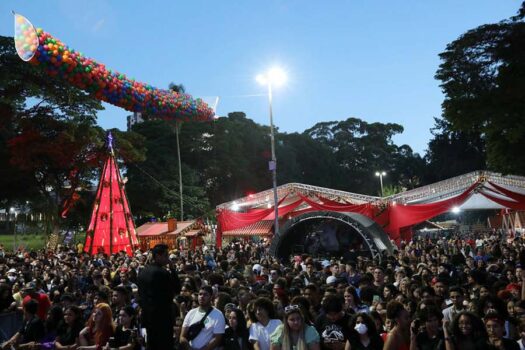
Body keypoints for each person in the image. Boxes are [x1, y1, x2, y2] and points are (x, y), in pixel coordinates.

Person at [137, 244, 181, 350]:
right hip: (162, 318)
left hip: (147, 317)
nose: (167, 259)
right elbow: (177, 289)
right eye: (165, 255)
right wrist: (172, 269)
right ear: (157, 256)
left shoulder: (143, 272)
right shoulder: (162, 273)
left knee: (151, 345)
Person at [180, 285, 225, 350]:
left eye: (205, 295)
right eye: (200, 294)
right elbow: (182, 337)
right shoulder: (191, 313)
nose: (202, 297)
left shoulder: (218, 315)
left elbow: (217, 338)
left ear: (211, 297)